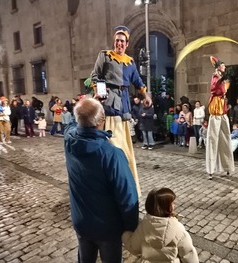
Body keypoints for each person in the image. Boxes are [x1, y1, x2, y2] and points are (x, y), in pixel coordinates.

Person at [64, 98, 139, 262]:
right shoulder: (111, 154)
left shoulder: (69, 138)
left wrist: (89, 102)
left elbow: (71, 122)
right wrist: (131, 227)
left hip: (81, 221)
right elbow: (127, 196)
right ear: (102, 120)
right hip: (107, 228)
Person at [90, 25, 151, 195]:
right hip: (108, 104)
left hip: (123, 107)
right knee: (110, 145)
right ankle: (108, 185)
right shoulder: (105, 56)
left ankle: (126, 183)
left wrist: (146, 96)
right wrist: (100, 92)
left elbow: (138, 82)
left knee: (125, 148)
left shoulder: (130, 62)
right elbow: (95, 76)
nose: (119, 44)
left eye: (122, 41)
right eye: (117, 40)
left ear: (127, 43)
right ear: (114, 41)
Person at [122, 187, 199, 263]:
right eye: (172, 203)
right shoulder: (178, 229)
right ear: (167, 207)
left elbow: (133, 248)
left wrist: (125, 234)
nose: (174, 205)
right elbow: (188, 253)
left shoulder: (143, 227)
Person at [206, 56, 234, 179]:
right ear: (218, 67)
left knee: (226, 139)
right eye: (223, 65)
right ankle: (211, 170)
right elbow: (213, 88)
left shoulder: (222, 78)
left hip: (223, 112)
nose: (225, 67)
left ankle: (227, 167)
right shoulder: (215, 76)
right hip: (216, 112)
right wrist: (221, 79)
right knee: (213, 141)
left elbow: (223, 90)